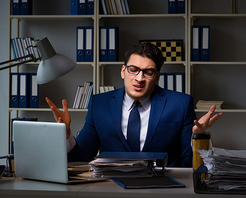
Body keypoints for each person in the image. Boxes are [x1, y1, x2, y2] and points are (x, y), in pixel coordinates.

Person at [46, 43, 223, 167]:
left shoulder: (181, 104)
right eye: (133, 70)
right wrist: (67, 135)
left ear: (157, 77)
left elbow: (191, 163)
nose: (139, 78)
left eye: (148, 72)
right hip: (111, 189)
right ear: (123, 71)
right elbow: (82, 158)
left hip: (163, 190)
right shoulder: (99, 104)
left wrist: (199, 137)